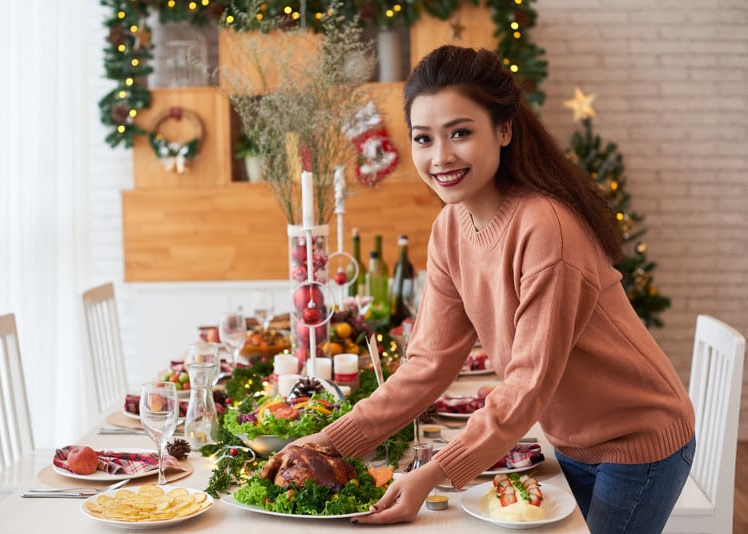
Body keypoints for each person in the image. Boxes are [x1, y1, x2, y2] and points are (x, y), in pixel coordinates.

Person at [292, 45, 695, 533]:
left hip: (637, 440)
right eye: (424, 138)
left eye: (460, 132)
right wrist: (334, 441)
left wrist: (434, 474)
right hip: (569, 439)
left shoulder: (547, 229)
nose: (440, 157)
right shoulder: (449, 229)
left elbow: (526, 386)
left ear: (504, 130)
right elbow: (428, 364)